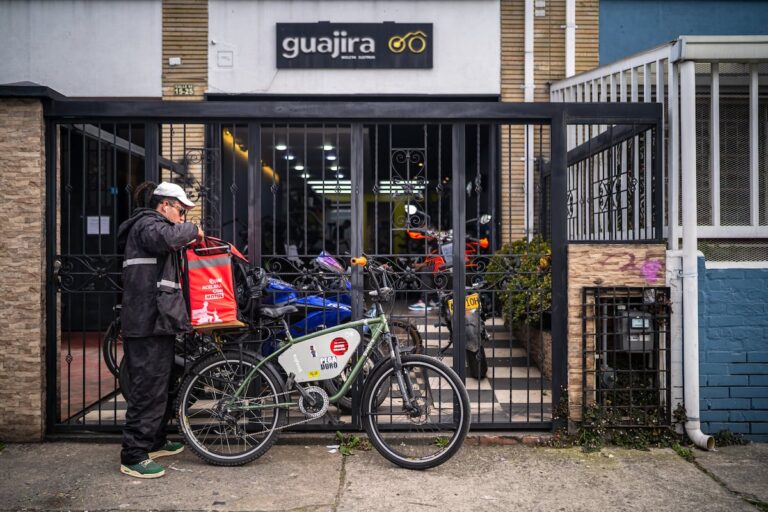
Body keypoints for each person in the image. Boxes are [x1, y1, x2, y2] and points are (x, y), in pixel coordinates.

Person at [116, 181, 203, 479]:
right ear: (164, 205)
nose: (182, 218)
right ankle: (134, 455)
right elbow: (168, 238)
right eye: (180, 211)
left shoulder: (153, 227)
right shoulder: (147, 226)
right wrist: (194, 231)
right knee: (146, 389)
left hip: (157, 321)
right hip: (144, 323)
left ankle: (153, 442)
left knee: (160, 385)